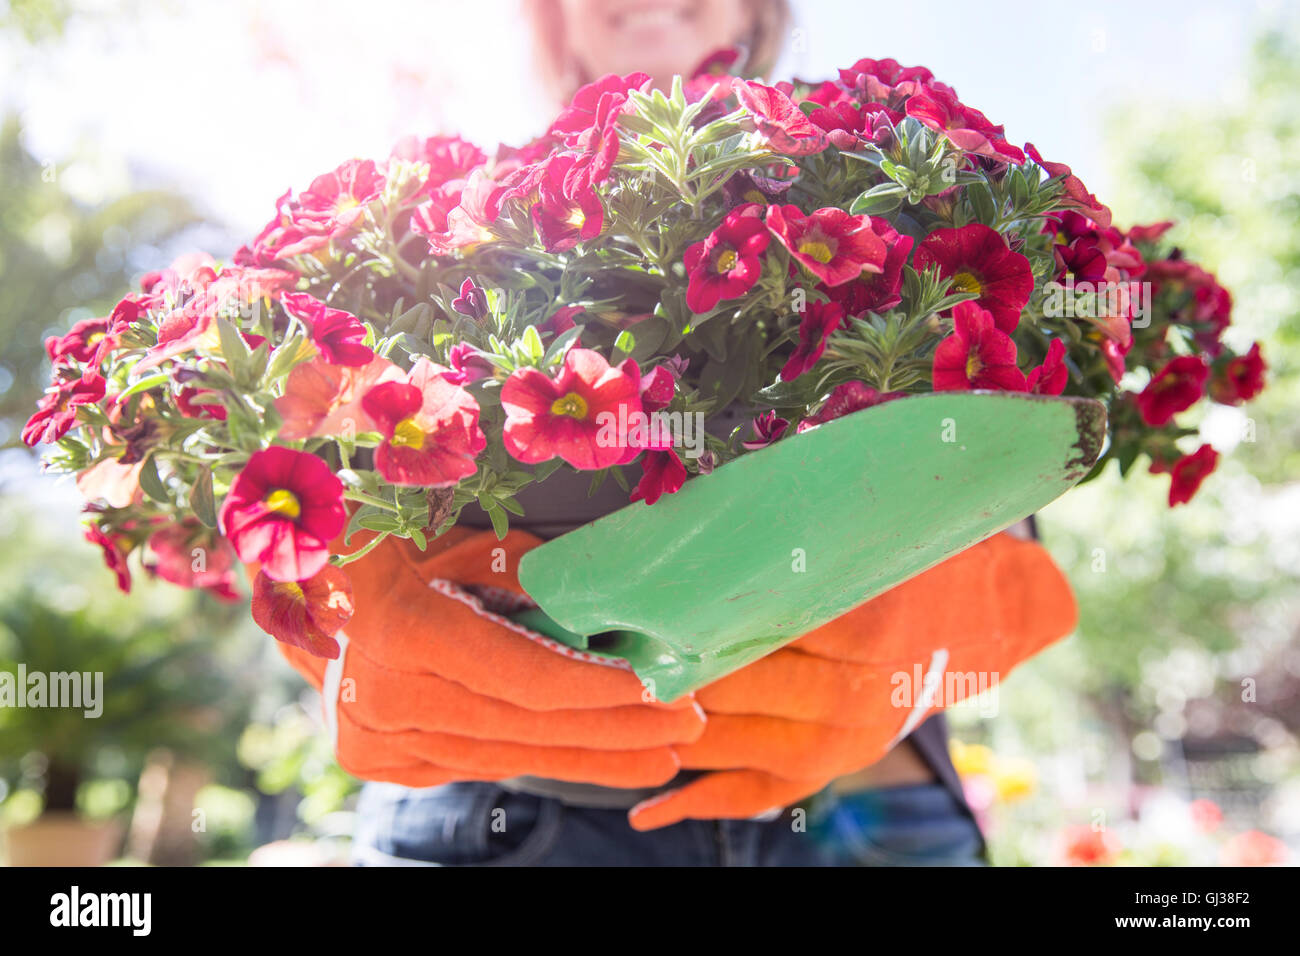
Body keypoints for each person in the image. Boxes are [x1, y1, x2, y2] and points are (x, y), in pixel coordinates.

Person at [281, 0, 1071, 866]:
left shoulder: (898, 178)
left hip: (862, 810)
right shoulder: (430, 220)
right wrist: (345, 611)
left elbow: (1015, 464)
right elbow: (281, 483)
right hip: (507, 815)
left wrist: (945, 616)